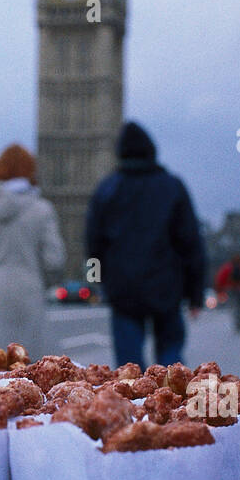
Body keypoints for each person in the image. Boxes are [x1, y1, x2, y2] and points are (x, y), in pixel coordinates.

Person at [86, 121, 205, 369]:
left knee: (129, 370)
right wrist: (195, 294)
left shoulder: (107, 189)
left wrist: (98, 281)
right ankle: (172, 401)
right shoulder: (172, 186)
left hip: (123, 289)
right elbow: (190, 242)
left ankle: (133, 406)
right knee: (171, 361)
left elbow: (93, 243)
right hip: (166, 286)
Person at [0, 144, 65, 356]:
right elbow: (55, 261)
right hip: (30, 287)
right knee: (29, 362)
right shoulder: (42, 209)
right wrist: (39, 278)